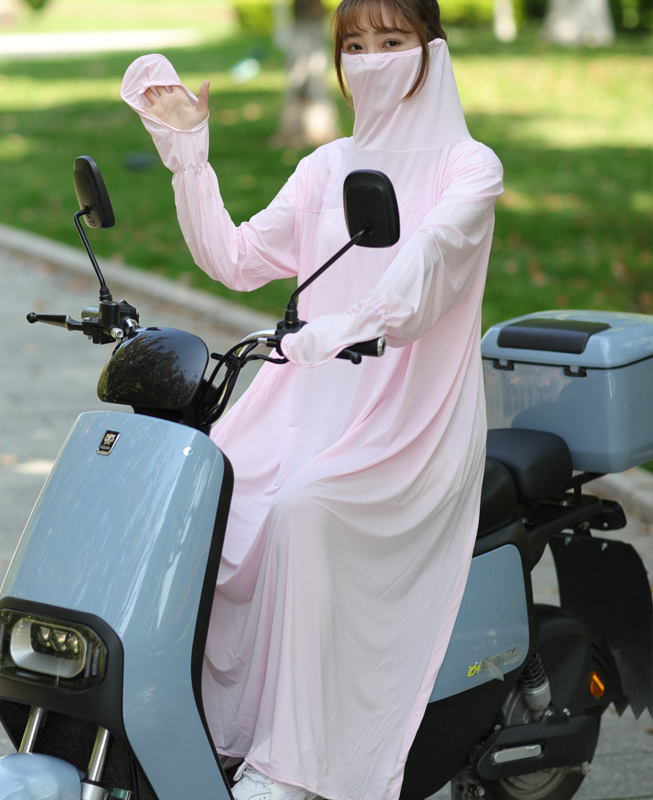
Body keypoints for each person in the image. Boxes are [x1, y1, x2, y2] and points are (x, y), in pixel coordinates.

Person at [120, 1, 503, 798]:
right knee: (206, 489)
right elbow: (235, 258)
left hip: (409, 415)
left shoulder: (470, 166)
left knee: (304, 508)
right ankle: (201, 724)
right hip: (303, 393)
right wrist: (189, 155)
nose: (371, 58)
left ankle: (296, 764)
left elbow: (428, 268)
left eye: (392, 40)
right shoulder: (328, 165)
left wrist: (348, 325)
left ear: (432, 49)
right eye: (354, 44)